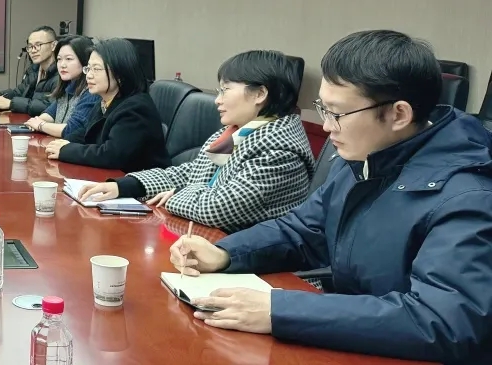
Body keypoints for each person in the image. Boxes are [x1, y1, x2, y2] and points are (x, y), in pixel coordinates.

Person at [169, 30, 492, 363]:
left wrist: (281, 310)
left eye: (336, 114)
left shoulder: (469, 196)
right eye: (323, 108)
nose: (325, 127)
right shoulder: (363, 158)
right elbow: (303, 230)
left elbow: (445, 321)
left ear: (399, 114)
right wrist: (225, 253)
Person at [78, 50, 314, 232]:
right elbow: (189, 173)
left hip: (257, 266)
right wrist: (124, 186)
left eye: (225, 90)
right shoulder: (236, 133)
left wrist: (177, 194)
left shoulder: (280, 150)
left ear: (260, 94)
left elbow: (218, 208)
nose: (217, 100)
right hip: (209, 241)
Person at [45, 38, 168, 173]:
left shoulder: (136, 108)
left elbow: (111, 155)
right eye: (88, 69)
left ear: (120, 74)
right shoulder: (105, 100)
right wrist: (63, 143)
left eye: (96, 69)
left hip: (138, 182)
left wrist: (67, 150)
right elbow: (87, 133)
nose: (89, 76)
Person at [24, 35, 100, 139]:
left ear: (85, 61)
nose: (62, 65)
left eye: (69, 59)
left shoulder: (91, 91)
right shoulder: (67, 87)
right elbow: (50, 113)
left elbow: (72, 129)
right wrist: (37, 121)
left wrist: (41, 125)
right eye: (59, 59)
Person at [0, 26, 59, 115]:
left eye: (38, 45)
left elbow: (51, 107)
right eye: (30, 46)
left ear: (53, 45)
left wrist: (11, 104)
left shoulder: (61, 73)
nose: (33, 51)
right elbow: (20, 92)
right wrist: (0, 95)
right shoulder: (34, 70)